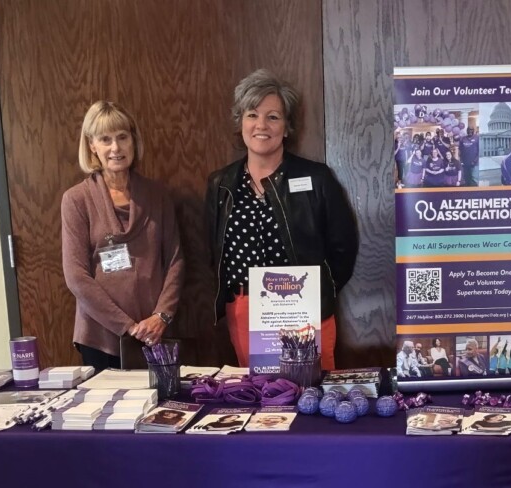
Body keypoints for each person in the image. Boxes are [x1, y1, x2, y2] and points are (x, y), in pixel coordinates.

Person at [206, 69, 358, 371]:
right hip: (245, 307)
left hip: (304, 306)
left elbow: (344, 248)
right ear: (241, 123)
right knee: (264, 404)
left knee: (313, 393)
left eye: (273, 117)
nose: (261, 125)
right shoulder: (220, 183)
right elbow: (214, 251)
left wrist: (315, 292)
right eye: (252, 115)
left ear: (287, 127)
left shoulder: (316, 178)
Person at [61, 101, 185, 371]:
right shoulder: (76, 200)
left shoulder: (157, 196)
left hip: (155, 335)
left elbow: (175, 260)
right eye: (105, 139)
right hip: (100, 338)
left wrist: (161, 317)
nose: (115, 148)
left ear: (133, 141)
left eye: (122, 138)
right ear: (92, 145)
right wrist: (128, 326)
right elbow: (76, 277)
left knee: (158, 412)